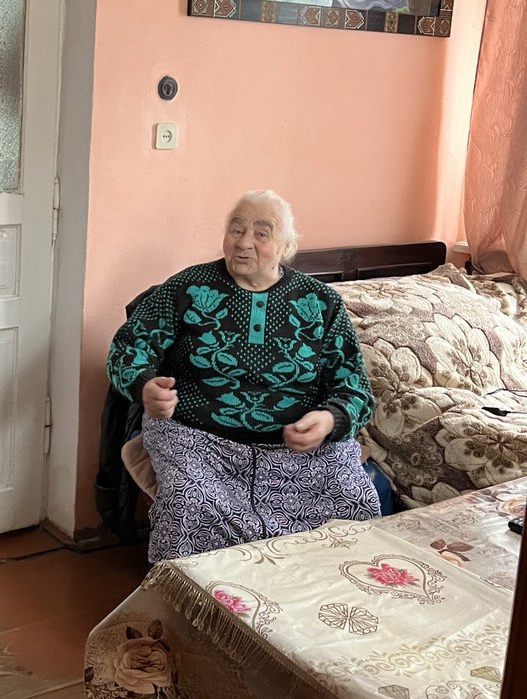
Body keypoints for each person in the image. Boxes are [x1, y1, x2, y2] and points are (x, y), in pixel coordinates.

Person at [106, 190, 380, 561]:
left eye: (261, 233)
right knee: (188, 504)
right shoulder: (188, 288)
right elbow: (128, 348)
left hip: (297, 453)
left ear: (286, 247)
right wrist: (144, 386)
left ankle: (315, 595)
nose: (244, 242)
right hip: (198, 441)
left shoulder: (320, 302)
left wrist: (330, 420)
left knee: (353, 499)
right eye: (236, 230)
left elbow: (354, 388)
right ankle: (195, 597)